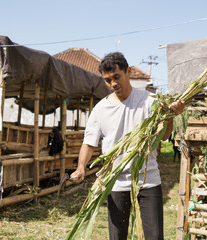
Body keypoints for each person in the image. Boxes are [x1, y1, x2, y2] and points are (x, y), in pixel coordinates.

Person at [70, 52, 184, 240]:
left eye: (117, 77)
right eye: (108, 80)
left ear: (128, 72)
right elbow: (89, 143)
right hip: (115, 181)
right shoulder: (100, 109)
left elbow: (164, 136)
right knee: (117, 237)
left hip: (148, 179)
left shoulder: (149, 102)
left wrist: (171, 116)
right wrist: (81, 168)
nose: (113, 83)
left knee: (155, 236)